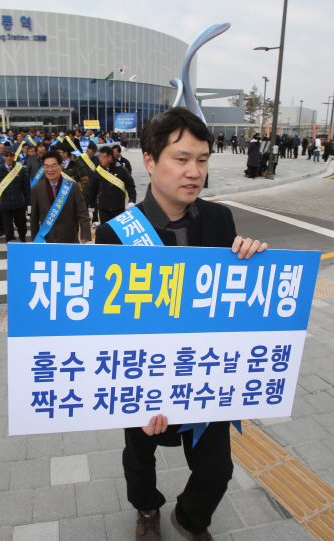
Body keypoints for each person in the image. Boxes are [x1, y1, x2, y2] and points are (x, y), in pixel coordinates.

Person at [96, 107, 267, 541]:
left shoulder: (219, 220)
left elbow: (235, 304)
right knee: (139, 460)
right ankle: (148, 510)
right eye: (182, 158)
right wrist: (140, 391)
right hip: (141, 372)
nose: (194, 172)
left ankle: (189, 519)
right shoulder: (115, 234)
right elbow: (107, 326)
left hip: (202, 371)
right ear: (150, 161)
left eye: (203, 160)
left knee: (218, 470)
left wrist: (253, 259)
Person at [30, 150, 91, 243]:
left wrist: (85, 234)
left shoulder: (72, 186)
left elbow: (82, 212)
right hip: (47, 239)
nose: (50, 170)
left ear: (61, 166)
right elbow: (34, 217)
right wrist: (35, 240)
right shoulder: (37, 188)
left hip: (69, 238)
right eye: (46, 166)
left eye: (53, 165)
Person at [0, 146, 31, 242]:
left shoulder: (21, 170)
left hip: (19, 204)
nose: (9, 157)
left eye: (11, 155)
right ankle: (11, 248)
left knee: (22, 227)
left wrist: (29, 204)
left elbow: (26, 189)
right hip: (4, 206)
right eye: (6, 155)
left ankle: (22, 243)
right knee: (8, 230)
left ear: (14, 156)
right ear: (3, 156)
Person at [89, 145, 136, 223]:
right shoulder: (98, 171)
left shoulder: (122, 170)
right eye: (100, 157)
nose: (100, 159)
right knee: (106, 232)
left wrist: (132, 200)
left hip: (118, 208)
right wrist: (91, 204)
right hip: (103, 208)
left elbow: (130, 185)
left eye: (103, 157)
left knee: (118, 232)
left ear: (110, 157)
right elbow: (93, 189)